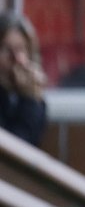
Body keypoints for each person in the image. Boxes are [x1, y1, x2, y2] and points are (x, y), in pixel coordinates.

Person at [0, 12, 47, 145]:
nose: (15, 59)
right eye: (5, 49)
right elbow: (16, 146)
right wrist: (29, 100)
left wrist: (31, 97)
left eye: (20, 49)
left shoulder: (28, 89)